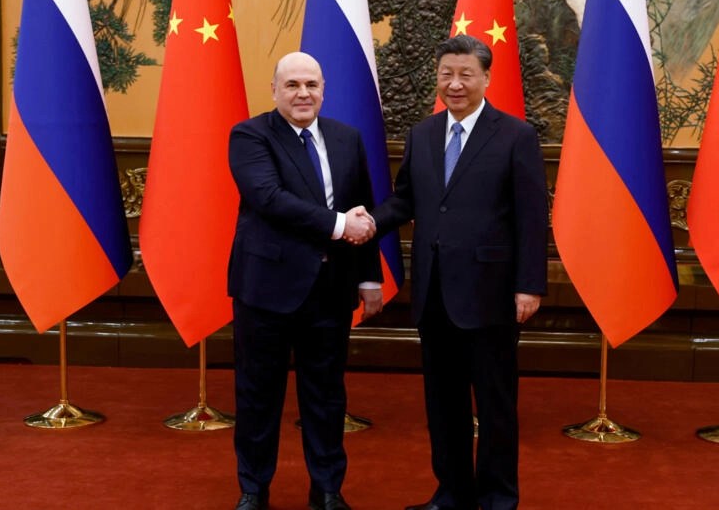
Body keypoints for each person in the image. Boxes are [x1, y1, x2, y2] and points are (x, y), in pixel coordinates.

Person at [371, 35, 549, 510]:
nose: (454, 84)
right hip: (434, 293)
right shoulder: (422, 134)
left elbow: (532, 217)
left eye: (465, 74)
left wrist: (529, 284)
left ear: (486, 78)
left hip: (492, 294)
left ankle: (497, 499)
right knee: (443, 403)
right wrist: (366, 221)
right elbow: (405, 201)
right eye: (446, 74)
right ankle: (451, 493)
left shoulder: (515, 135)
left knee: (495, 404)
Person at [227, 51, 383, 510]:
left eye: (311, 85)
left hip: (330, 289)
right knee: (258, 397)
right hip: (266, 290)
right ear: (274, 90)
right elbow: (269, 198)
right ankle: (254, 490)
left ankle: (328, 490)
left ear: (323, 90)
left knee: (327, 396)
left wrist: (369, 278)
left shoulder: (347, 138)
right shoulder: (250, 135)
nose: (302, 93)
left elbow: (362, 207)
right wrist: (339, 225)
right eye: (292, 84)